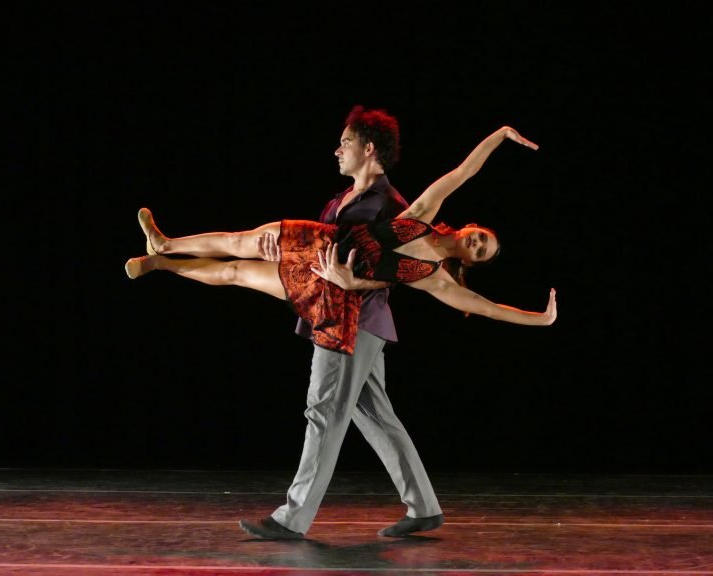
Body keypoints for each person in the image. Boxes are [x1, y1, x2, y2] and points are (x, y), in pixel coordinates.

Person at [125, 118, 556, 539]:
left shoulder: (433, 276)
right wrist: (499, 136)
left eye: (482, 251)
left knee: (325, 411)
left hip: (349, 314)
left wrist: (541, 318)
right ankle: (423, 507)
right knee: (374, 414)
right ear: (470, 227)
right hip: (326, 272)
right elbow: (463, 172)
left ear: (472, 261)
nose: (477, 243)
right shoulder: (418, 213)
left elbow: (485, 308)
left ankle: (293, 517)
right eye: (481, 236)